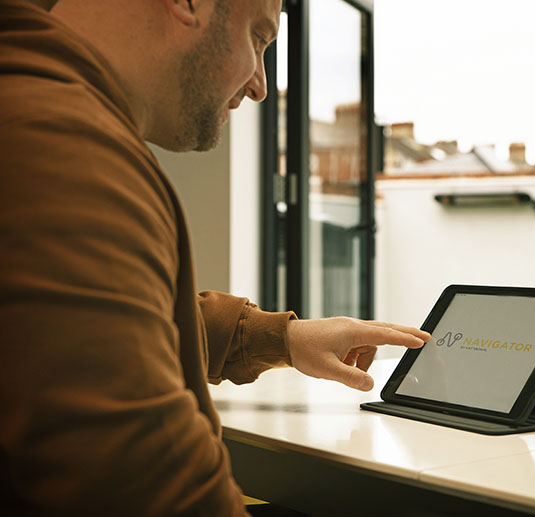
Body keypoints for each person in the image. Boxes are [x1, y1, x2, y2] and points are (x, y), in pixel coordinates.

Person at [0, 0, 430, 514]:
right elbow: (144, 487)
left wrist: (284, 338)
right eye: (259, 39)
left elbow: (93, 327)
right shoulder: (61, 147)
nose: (259, 85)